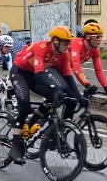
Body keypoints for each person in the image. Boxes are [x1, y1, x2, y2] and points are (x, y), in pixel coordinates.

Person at [8, 26, 74, 164]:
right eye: (65, 42)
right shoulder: (41, 47)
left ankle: (34, 122)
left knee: (54, 97)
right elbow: (39, 74)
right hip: (19, 72)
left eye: (69, 42)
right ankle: (15, 146)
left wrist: (76, 96)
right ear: (55, 41)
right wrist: (54, 89)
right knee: (24, 106)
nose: (68, 45)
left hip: (33, 75)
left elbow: (67, 77)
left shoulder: (62, 54)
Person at [69, 22, 107, 101]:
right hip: (55, 67)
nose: (100, 40)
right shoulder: (76, 44)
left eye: (101, 37)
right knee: (67, 92)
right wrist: (87, 85)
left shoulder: (95, 50)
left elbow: (99, 70)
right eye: (97, 37)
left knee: (75, 97)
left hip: (68, 69)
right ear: (88, 37)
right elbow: (76, 68)